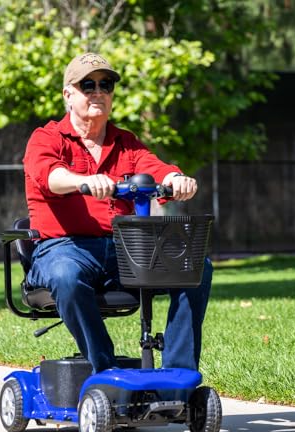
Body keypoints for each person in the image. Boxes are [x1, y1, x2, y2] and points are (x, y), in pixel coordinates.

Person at [23, 52, 213, 373]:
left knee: (195, 266)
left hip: (125, 249)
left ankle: (179, 374)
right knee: (66, 276)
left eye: (106, 85)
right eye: (88, 85)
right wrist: (83, 181)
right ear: (68, 94)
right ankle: (106, 371)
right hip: (64, 249)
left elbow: (155, 168)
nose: (98, 92)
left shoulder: (126, 142)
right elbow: (50, 177)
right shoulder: (48, 138)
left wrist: (175, 179)